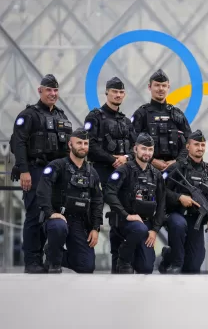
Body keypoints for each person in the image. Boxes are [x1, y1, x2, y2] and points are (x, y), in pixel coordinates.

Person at [9, 74, 73, 273]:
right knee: (34, 216)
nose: (53, 94)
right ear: (40, 91)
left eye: (55, 90)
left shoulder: (61, 116)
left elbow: (68, 148)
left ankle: (48, 258)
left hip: (56, 175)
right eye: (49, 90)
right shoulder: (28, 115)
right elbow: (17, 144)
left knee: (52, 215)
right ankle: (32, 261)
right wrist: (24, 170)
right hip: (35, 171)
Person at [83, 76, 137, 273]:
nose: (118, 95)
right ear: (106, 92)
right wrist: (113, 159)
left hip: (122, 176)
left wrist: (126, 158)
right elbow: (90, 146)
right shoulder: (95, 117)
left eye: (121, 92)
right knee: (92, 215)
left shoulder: (126, 121)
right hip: (100, 173)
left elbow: (137, 147)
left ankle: (119, 262)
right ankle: (85, 259)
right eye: (115, 91)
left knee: (120, 218)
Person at [36, 128, 103, 273]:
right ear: (70, 144)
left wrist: (95, 227)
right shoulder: (57, 166)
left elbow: (98, 201)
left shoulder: (92, 172)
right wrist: (50, 213)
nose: (83, 146)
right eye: (79, 143)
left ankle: (53, 253)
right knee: (58, 227)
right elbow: (43, 190)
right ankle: (54, 264)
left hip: (79, 221)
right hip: (58, 218)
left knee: (86, 267)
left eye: (86, 143)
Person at [159, 130, 208, 274]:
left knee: (194, 266)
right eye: (196, 144)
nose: (200, 148)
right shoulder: (176, 167)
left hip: (196, 220)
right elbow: (160, 190)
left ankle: (168, 255)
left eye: (202, 145)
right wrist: (179, 198)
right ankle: (175, 262)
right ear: (188, 146)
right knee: (178, 225)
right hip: (176, 215)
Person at [103, 133, 166, 274]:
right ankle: (123, 259)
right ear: (135, 149)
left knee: (146, 268)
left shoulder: (157, 175)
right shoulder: (124, 170)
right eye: (144, 149)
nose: (147, 153)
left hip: (145, 225)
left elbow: (162, 204)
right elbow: (109, 193)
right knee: (138, 230)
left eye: (150, 150)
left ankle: (130, 257)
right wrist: (126, 215)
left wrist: (154, 230)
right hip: (124, 222)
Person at [131, 69, 192, 172]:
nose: (161, 89)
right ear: (149, 87)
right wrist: (152, 160)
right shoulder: (141, 114)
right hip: (147, 170)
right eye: (157, 85)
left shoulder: (177, 114)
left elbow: (190, 141)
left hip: (176, 171)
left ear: (168, 87)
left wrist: (177, 161)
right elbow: (132, 142)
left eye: (164, 86)